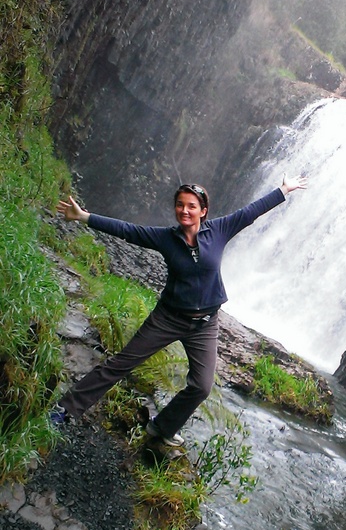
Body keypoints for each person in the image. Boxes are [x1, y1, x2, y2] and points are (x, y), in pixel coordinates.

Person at [51, 174, 307, 446]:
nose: (184, 210)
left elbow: (251, 211)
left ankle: (162, 428)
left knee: (201, 386)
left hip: (205, 324)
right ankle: (65, 409)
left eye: (191, 206)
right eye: (180, 205)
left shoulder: (220, 229)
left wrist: (283, 189)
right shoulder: (166, 238)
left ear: (203, 211)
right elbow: (127, 230)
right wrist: (84, 217)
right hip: (168, 318)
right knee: (120, 364)